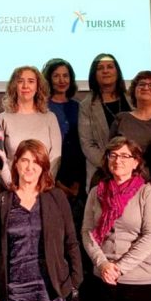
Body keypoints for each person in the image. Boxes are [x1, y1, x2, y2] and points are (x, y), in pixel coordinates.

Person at [0, 139, 82, 301]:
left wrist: (74, 281)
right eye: (25, 161)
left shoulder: (56, 197)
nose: (30, 167)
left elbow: (71, 241)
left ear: (43, 167)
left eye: (36, 162)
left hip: (50, 289)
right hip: (14, 291)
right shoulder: (2, 201)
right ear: (16, 164)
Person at [82, 137, 151, 301]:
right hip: (103, 278)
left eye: (125, 156)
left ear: (136, 162)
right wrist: (102, 264)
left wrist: (119, 268)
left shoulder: (147, 193)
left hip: (140, 282)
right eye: (114, 155)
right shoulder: (96, 192)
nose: (118, 160)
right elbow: (87, 231)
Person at [0, 65, 63, 182]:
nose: (25, 86)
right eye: (20, 81)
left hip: (43, 186)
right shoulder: (3, 118)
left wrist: (45, 182)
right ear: (14, 86)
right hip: (14, 186)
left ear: (38, 86)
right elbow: (0, 155)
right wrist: (11, 183)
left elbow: (56, 156)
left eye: (31, 81)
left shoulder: (50, 118)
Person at [79, 53, 131, 187]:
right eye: (100, 68)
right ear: (94, 74)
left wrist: (132, 163)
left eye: (110, 67)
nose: (106, 71)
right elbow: (87, 144)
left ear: (117, 71)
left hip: (135, 171)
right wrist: (112, 164)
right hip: (102, 173)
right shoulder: (87, 105)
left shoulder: (132, 99)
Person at [43, 58, 86, 199]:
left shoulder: (78, 106)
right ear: (48, 79)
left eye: (65, 76)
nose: (62, 80)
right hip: (52, 168)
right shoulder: (42, 108)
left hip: (77, 170)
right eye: (56, 76)